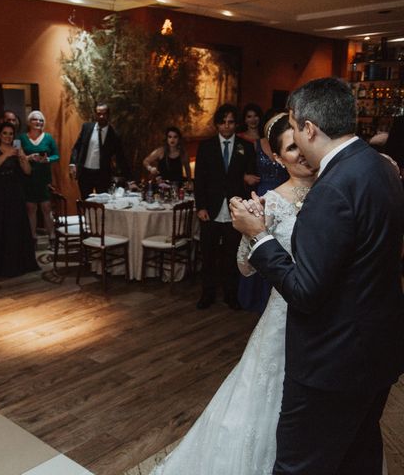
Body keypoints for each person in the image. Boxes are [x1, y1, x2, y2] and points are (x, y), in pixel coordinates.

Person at [231, 77, 404, 474]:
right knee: (355, 459)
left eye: (293, 125)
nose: (291, 133)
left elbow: (306, 292)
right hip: (377, 353)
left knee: (300, 465)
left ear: (309, 128)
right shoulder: (382, 168)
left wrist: (258, 236)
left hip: (332, 362)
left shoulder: (333, 188)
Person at [151, 112, 317, 475]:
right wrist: (252, 231)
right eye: (291, 148)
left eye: (303, 144)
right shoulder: (270, 202)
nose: (301, 154)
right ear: (277, 157)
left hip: (327, 315)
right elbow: (245, 266)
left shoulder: (334, 189)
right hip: (284, 314)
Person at [194, 103, 257, 310]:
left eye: (230, 122)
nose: (227, 126)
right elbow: (200, 180)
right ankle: (207, 294)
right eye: (223, 122)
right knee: (209, 255)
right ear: (217, 124)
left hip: (234, 210)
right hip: (210, 210)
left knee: (232, 254)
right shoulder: (206, 146)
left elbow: (250, 177)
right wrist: (200, 206)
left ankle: (231, 294)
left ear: (235, 124)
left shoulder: (245, 147)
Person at [236, 104, 288, 314]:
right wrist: (245, 177)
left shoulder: (287, 148)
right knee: (257, 242)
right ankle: (252, 297)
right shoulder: (255, 145)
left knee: (277, 244)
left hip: (284, 196)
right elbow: (240, 170)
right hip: (262, 194)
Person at [0, 122, 39, 278]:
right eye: (5, 133)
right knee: (1, 227)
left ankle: (19, 264)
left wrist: (22, 156)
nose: (8, 136)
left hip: (15, 191)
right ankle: (0, 266)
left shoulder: (18, 150)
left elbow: (27, 171)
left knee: (16, 226)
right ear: (0, 135)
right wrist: (6, 154)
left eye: (11, 134)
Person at [70, 103, 132, 197]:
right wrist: (72, 163)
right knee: (85, 202)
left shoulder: (114, 135)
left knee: (103, 204)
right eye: (99, 114)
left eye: (104, 114)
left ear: (108, 114)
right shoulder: (87, 128)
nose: (101, 116)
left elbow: (121, 158)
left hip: (102, 175)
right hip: (84, 173)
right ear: (95, 114)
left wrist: (130, 179)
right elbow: (77, 147)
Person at [20, 110, 59, 244]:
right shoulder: (21, 138)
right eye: (35, 120)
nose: (38, 122)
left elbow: (56, 155)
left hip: (44, 178)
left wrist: (47, 159)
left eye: (41, 120)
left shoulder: (48, 137)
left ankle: (52, 237)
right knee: (31, 208)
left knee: (46, 207)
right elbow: (17, 156)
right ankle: (33, 238)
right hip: (29, 177)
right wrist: (28, 157)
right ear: (29, 122)